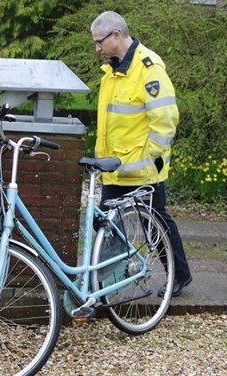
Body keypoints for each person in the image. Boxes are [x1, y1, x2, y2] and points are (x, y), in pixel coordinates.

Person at [91, 11, 192, 297]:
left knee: (155, 226)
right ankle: (106, 285)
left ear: (116, 36)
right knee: (109, 227)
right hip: (114, 167)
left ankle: (179, 276)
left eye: (100, 42)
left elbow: (166, 120)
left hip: (142, 168)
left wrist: (148, 157)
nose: (97, 49)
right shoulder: (112, 70)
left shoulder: (149, 69)